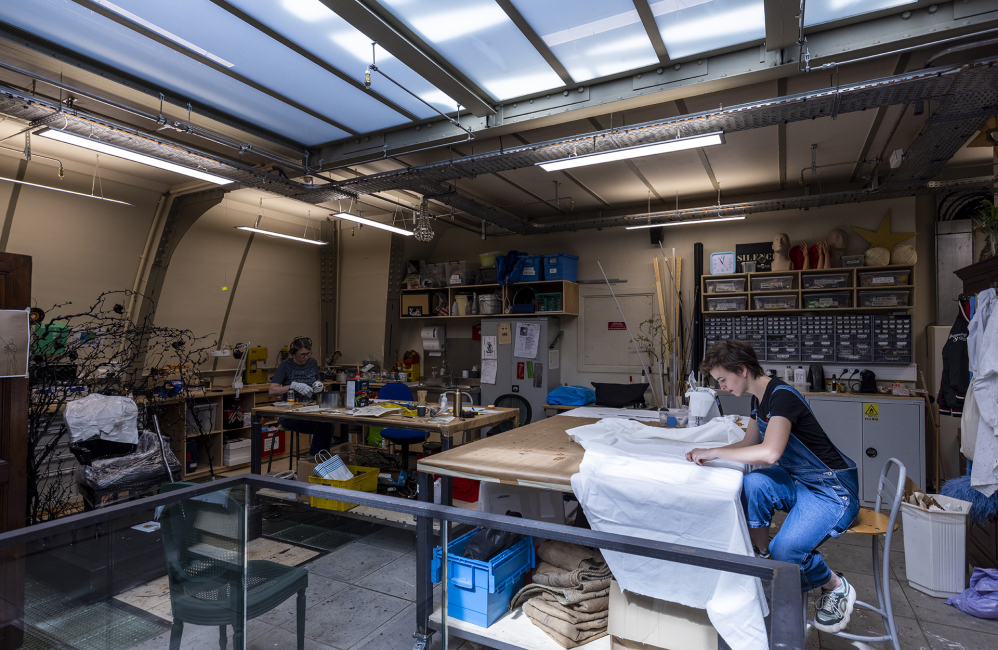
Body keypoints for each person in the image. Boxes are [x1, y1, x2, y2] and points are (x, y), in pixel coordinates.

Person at [686, 339, 859, 634]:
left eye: (723, 379)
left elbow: (769, 453)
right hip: (801, 481)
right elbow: (748, 444)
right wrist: (708, 450)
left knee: (787, 550)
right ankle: (766, 561)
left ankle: (835, 585)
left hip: (832, 490)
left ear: (741, 370)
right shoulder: (759, 398)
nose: (722, 386)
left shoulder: (782, 397)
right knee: (754, 484)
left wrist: (714, 453)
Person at [269, 336, 333, 455]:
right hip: (290, 415)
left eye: (308, 354)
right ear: (294, 353)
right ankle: (313, 460)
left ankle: (323, 460)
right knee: (322, 426)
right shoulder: (285, 365)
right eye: (302, 354)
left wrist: (319, 384)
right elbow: (272, 390)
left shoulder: (312, 362)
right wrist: (292, 386)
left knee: (328, 425)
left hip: (309, 410)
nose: (306, 357)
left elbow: (317, 380)